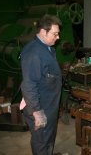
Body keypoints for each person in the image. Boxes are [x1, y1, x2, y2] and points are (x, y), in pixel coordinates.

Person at [20, 14, 63, 155]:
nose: (58, 37)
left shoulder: (46, 47)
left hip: (49, 105)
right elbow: (28, 85)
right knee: (41, 141)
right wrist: (37, 112)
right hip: (41, 108)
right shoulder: (34, 53)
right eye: (55, 34)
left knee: (49, 137)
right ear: (43, 32)